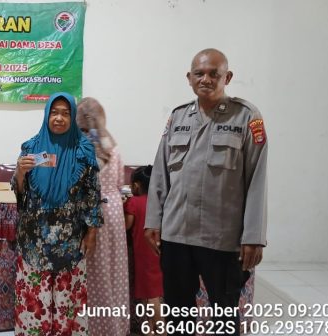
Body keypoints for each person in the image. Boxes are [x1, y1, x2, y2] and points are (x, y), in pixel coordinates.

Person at [145, 48, 268, 336]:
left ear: (228, 77)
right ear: (189, 78)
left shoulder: (246, 117)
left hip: (222, 237)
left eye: (214, 73)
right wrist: (153, 220)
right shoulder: (178, 117)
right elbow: (160, 172)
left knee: (224, 313)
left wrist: (253, 236)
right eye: (199, 73)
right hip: (176, 234)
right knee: (178, 314)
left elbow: (257, 179)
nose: (206, 79)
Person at [13, 92, 102, 336]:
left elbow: (92, 194)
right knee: (36, 297)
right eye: (54, 112)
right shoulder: (31, 147)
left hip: (69, 239)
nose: (59, 118)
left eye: (65, 113)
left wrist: (92, 233)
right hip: (34, 239)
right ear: (46, 115)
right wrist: (20, 173)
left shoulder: (84, 150)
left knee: (66, 300)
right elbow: (20, 192)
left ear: (73, 117)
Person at [75, 97, 130, 335]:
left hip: (88, 214)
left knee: (91, 274)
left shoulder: (77, 148)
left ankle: (91, 328)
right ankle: (114, 327)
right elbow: (119, 183)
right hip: (113, 212)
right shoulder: (112, 147)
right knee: (114, 271)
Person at [125, 165, 163, 335]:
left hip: (144, 255)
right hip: (158, 252)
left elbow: (127, 225)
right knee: (155, 295)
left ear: (137, 185)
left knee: (151, 296)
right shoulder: (159, 201)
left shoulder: (133, 202)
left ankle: (161, 330)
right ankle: (151, 330)